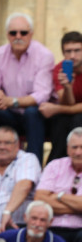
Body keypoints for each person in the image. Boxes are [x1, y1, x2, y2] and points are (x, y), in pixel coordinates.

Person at [0, 12, 54, 163]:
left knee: (33, 112)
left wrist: (12, 101)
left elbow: (42, 95)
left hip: (35, 116)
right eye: (13, 33)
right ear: (7, 35)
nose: (18, 36)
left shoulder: (44, 55)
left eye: (23, 33)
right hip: (8, 114)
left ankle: (32, 169)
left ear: (31, 34)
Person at [33, 127, 82, 242]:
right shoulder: (55, 166)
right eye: (74, 147)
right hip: (51, 227)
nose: (78, 152)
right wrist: (77, 207)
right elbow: (39, 199)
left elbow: (46, 198)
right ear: (67, 148)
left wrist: (59, 196)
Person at [40, 31, 82, 161]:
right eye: (68, 51)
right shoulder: (60, 69)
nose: (72, 56)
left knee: (76, 119)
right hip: (70, 115)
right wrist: (68, 88)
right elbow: (67, 103)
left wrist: (56, 109)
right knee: (60, 121)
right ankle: (56, 165)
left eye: (77, 50)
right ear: (63, 53)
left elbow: (62, 107)